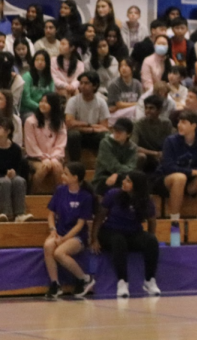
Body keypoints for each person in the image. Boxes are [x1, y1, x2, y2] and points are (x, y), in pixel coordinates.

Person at [92, 171, 160, 298]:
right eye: (125, 179)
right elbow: (100, 217)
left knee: (151, 241)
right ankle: (122, 281)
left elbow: (152, 220)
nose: (123, 182)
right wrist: (94, 238)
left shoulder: (146, 200)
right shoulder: (113, 194)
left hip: (133, 233)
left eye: (128, 181)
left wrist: (150, 237)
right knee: (119, 240)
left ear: (137, 185)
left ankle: (149, 280)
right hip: (110, 232)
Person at [43, 163, 96, 300]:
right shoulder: (60, 190)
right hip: (60, 231)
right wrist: (53, 230)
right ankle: (55, 284)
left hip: (77, 236)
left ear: (75, 177)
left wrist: (64, 239)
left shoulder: (85, 197)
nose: (62, 176)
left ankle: (85, 279)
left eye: (66, 173)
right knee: (48, 246)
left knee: (59, 252)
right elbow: (51, 214)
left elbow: (80, 225)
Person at [157, 111, 197, 223]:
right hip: (166, 180)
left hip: (189, 183)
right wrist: (194, 172)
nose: (179, 125)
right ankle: (174, 222)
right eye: (179, 122)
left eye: (184, 122)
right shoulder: (170, 141)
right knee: (180, 178)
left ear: (193, 126)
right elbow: (168, 167)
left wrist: (196, 174)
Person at [25, 93, 66, 193]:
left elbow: (60, 144)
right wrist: (44, 158)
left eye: (46, 102)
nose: (42, 104)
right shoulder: (30, 121)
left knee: (57, 167)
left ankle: (60, 196)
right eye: (41, 101)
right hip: (35, 158)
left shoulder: (60, 123)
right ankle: (32, 196)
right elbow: (31, 143)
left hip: (54, 158)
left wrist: (53, 158)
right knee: (44, 168)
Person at [65, 71, 110, 162]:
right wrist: (90, 126)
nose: (82, 86)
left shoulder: (101, 102)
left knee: (106, 136)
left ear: (95, 85)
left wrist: (81, 126)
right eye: (81, 83)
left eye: (86, 83)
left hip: (93, 135)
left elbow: (104, 127)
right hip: (79, 135)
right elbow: (69, 123)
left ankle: (104, 166)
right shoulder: (73, 101)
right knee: (73, 134)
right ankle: (75, 165)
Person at [93, 118, 138, 194]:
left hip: (123, 177)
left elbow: (132, 167)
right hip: (103, 178)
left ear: (128, 134)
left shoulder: (133, 147)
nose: (116, 133)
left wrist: (117, 174)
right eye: (115, 130)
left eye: (120, 132)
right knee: (117, 187)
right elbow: (112, 165)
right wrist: (118, 173)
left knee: (136, 183)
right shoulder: (105, 143)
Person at [0, 117, 32, 222]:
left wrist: (14, 172)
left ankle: (20, 214)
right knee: (4, 182)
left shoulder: (16, 149)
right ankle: (6, 213)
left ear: (8, 131)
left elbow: (19, 167)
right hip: (2, 178)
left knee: (19, 181)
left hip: (10, 177)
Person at [132, 94, 172, 174]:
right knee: (140, 156)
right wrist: (154, 154)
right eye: (146, 108)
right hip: (145, 156)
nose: (148, 111)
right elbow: (133, 146)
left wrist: (162, 154)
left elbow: (170, 144)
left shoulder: (166, 124)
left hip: (160, 157)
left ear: (159, 110)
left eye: (151, 108)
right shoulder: (138, 124)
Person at [20, 50, 54, 117]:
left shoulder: (49, 78)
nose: (39, 62)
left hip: (45, 109)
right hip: (28, 110)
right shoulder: (27, 76)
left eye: (42, 60)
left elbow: (52, 97)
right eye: (37, 60)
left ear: (47, 63)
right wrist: (41, 108)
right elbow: (26, 100)